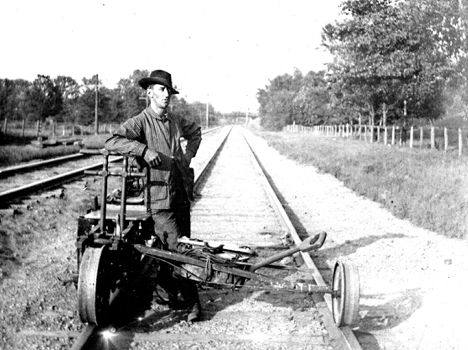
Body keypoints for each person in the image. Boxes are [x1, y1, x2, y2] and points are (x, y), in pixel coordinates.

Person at [105, 69, 202, 322]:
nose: (166, 94)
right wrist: (142, 150)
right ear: (149, 93)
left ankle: (166, 290)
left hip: (180, 193)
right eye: (161, 89)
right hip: (158, 197)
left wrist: (189, 154)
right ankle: (193, 303)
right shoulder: (141, 122)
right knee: (177, 248)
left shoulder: (176, 120)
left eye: (169, 90)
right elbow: (112, 141)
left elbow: (196, 132)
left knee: (181, 244)